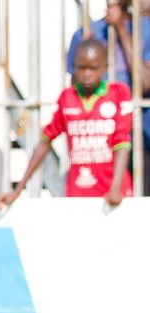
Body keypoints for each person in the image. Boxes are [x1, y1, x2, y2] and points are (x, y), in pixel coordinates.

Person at [0, 38, 133, 208]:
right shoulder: (67, 97)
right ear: (73, 67)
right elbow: (45, 141)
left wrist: (116, 188)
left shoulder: (118, 93)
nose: (87, 74)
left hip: (113, 195)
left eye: (93, 68)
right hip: (78, 195)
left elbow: (122, 143)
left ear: (105, 67)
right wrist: (18, 189)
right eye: (82, 68)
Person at [68, 0, 150, 193]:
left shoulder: (145, 29)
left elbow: (144, 83)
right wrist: (85, 48)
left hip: (140, 139)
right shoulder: (85, 33)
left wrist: (120, 29)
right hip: (98, 143)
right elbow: (75, 95)